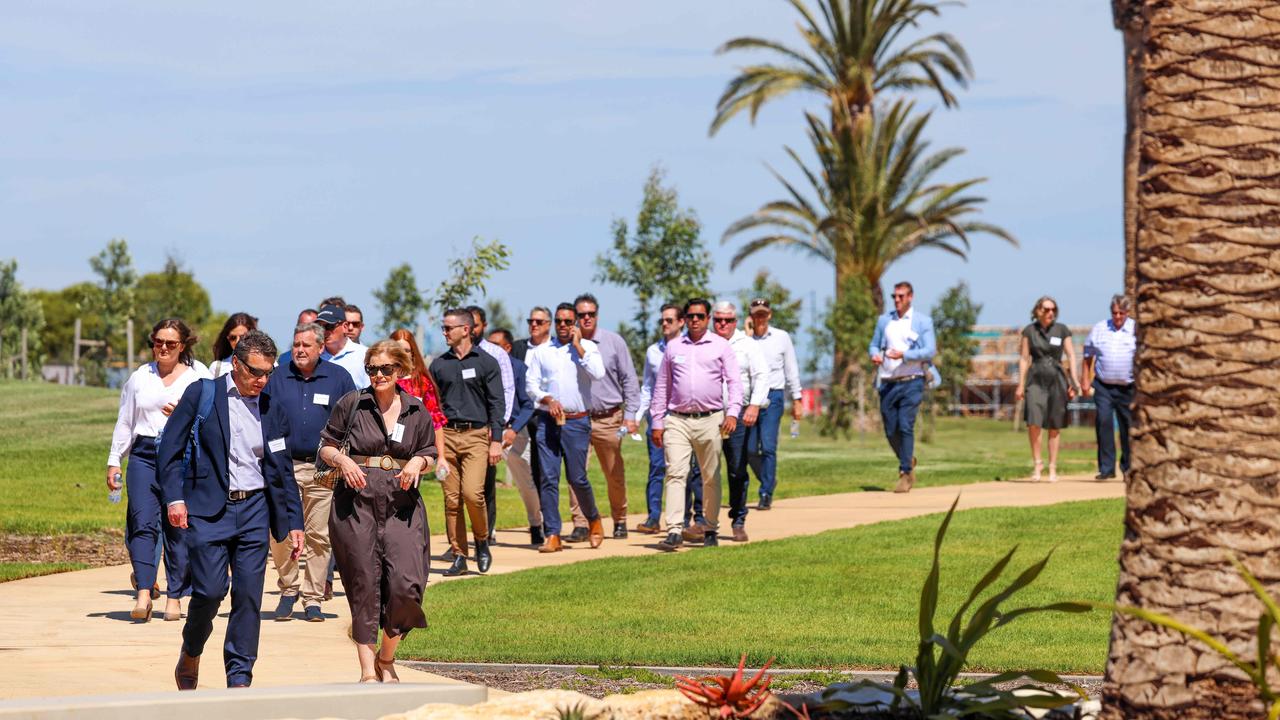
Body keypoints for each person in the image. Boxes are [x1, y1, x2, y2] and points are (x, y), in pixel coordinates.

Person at [161, 330, 303, 690]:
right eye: (255, 371)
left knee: (249, 597)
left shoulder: (272, 406)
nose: (262, 380)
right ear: (236, 364)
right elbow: (170, 450)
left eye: (268, 372)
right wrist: (175, 499)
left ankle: (239, 679)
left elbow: (282, 468)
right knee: (209, 592)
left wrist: (295, 521)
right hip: (209, 511)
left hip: (255, 510)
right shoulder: (202, 393)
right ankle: (191, 649)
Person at [319, 341, 438, 683]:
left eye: (386, 369)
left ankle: (387, 657)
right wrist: (342, 459)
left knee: (407, 585)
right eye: (373, 369)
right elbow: (326, 445)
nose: (379, 375)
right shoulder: (353, 403)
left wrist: (418, 461)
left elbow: (429, 451)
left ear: (400, 371)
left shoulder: (415, 409)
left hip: (402, 507)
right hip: (356, 505)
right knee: (364, 584)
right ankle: (368, 670)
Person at [107, 318, 211, 622]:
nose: (163, 348)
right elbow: (126, 420)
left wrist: (185, 416)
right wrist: (115, 459)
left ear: (183, 346)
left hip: (181, 456)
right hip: (143, 455)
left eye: (171, 343)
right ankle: (142, 593)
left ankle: (175, 596)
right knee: (142, 524)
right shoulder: (140, 377)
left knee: (177, 527)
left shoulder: (198, 377)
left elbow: (210, 418)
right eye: (158, 342)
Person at [264, 322, 356, 622]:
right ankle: (289, 590)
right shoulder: (277, 376)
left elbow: (352, 421)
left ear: (320, 347)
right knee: (280, 533)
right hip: (283, 467)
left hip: (322, 468)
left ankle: (313, 597)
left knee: (320, 534)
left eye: (306, 345)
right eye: (296, 344)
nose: (300, 350)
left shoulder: (338, 378)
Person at [650, 298, 742, 551]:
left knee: (710, 476)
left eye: (700, 316)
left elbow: (734, 382)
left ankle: (710, 527)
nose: (695, 320)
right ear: (685, 319)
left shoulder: (721, 346)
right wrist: (657, 421)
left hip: (711, 419)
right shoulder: (674, 347)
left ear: (707, 318)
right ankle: (674, 529)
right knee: (676, 473)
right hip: (677, 419)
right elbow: (662, 386)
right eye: (690, 316)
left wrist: (732, 413)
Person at [525, 303, 608, 552]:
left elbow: (598, 373)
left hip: (577, 421)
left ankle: (593, 519)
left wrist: (579, 346)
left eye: (568, 321)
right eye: (559, 321)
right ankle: (552, 533)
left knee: (577, 478)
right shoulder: (541, 352)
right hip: (548, 422)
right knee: (548, 478)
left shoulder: (588, 349)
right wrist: (548, 399)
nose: (563, 325)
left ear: (576, 324)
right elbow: (531, 385)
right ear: (554, 323)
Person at [430, 308, 505, 576]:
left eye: (449, 328)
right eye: (444, 328)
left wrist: (496, 440)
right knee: (452, 499)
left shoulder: (487, 362)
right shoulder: (439, 365)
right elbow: (433, 405)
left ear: (466, 329)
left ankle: (482, 541)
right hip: (447, 436)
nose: (444, 333)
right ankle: (460, 555)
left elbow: (497, 404)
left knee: (473, 494)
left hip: (476, 437)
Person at [565, 293, 640, 541]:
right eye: (581, 315)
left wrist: (630, 415)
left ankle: (620, 520)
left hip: (608, 418)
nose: (586, 318)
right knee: (576, 474)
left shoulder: (613, 342)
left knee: (614, 474)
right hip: (577, 418)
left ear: (597, 315)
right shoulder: (566, 346)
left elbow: (629, 380)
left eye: (591, 314)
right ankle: (581, 523)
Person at [635, 303, 705, 535]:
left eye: (669, 320)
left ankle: (688, 519)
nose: (665, 324)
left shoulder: (690, 348)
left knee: (684, 468)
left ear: (681, 322)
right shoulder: (653, 351)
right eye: (662, 320)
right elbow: (647, 386)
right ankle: (653, 518)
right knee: (656, 468)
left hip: (683, 416)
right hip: (657, 416)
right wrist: (638, 415)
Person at [868, 282, 936, 494]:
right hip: (888, 382)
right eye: (894, 296)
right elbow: (873, 344)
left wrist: (904, 355)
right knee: (890, 430)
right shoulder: (884, 321)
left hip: (912, 381)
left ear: (910, 297)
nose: (897, 300)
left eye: (901, 296)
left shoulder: (923, 321)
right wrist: (874, 355)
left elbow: (929, 350)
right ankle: (908, 459)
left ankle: (905, 473)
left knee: (906, 426)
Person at [712, 302, 769, 543]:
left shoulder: (747, 345)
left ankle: (738, 519)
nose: (722, 324)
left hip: (737, 415)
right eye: (718, 320)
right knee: (702, 470)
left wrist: (755, 405)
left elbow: (762, 374)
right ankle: (700, 519)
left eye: (727, 320)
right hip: (709, 415)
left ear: (735, 322)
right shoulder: (704, 343)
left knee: (736, 469)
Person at [1016, 296, 1081, 483]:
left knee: (1054, 423)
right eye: (1046, 309)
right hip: (1035, 378)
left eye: (1053, 309)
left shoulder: (1061, 330)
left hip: (1057, 378)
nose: (1050, 312)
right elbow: (1023, 358)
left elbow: (1071, 355)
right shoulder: (1029, 331)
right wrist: (1020, 384)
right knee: (1034, 421)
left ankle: (1053, 466)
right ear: (1038, 311)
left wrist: (1073, 381)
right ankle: (1037, 463)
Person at [745, 299, 803, 509]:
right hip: (750, 399)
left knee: (768, 446)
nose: (760, 318)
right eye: (756, 314)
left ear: (769, 315)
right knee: (750, 450)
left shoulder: (781, 337)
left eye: (763, 314)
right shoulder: (745, 340)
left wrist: (797, 399)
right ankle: (768, 479)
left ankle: (766, 492)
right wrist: (747, 334)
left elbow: (791, 369)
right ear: (750, 317)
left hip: (773, 397)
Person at [488, 328, 542, 546]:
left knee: (525, 483)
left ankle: (536, 524)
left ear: (507, 347)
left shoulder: (519, 369)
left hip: (514, 432)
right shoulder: (483, 366)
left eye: (496, 345)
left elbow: (528, 404)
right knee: (483, 484)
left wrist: (514, 429)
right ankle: (487, 531)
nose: (490, 350)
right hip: (487, 432)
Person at [466, 306, 514, 545]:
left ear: (483, 325)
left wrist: (497, 429)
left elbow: (506, 392)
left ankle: (487, 532)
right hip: (459, 431)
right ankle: (459, 542)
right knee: (457, 490)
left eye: (474, 325)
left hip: (486, 428)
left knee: (484, 485)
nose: (471, 330)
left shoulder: (496, 354)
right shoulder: (453, 356)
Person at [1082, 294, 1136, 481]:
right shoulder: (1100, 328)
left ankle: (1128, 467)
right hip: (1103, 386)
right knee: (1103, 422)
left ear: (1127, 312)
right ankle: (1106, 468)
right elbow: (1088, 355)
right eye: (1115, 313)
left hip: (1128, 387)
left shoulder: (1135, 329)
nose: (1118, 317)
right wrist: (1085, 380)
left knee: (1127, 427)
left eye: (1121, 313)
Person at [389, 329, 448, 465]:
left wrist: (441, 457)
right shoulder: (381, 379)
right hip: (384, 448)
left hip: (414, 451)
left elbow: (435, 421)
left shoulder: (422, 383)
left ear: (413, 353)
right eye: (397, 349)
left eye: (406, 350)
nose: (402, 354)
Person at [316, 302, 370, 388]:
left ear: (345, 327)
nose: (324, 331)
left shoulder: (364, 355)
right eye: (319, 327)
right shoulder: (314, 356)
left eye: (329, 326)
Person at [208, 313, 258, 378]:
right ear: (227, 339)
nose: (238, 341)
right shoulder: (217, 369)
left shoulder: (267, 364)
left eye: (243, 336)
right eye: (233, 337)